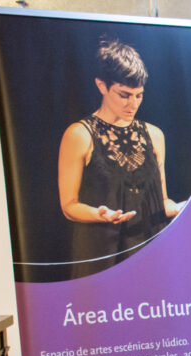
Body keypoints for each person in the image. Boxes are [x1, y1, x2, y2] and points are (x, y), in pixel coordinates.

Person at [57, 38, 183, 268]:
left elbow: (161, 200)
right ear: (101, 86)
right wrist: (99, 214)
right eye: (124, 95)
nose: (132, 104)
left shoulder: (154, 135)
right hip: (103, 254)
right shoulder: (79, 135)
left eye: (139, 95)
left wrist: (180, 207)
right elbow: (69, 205)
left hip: (150, 252)